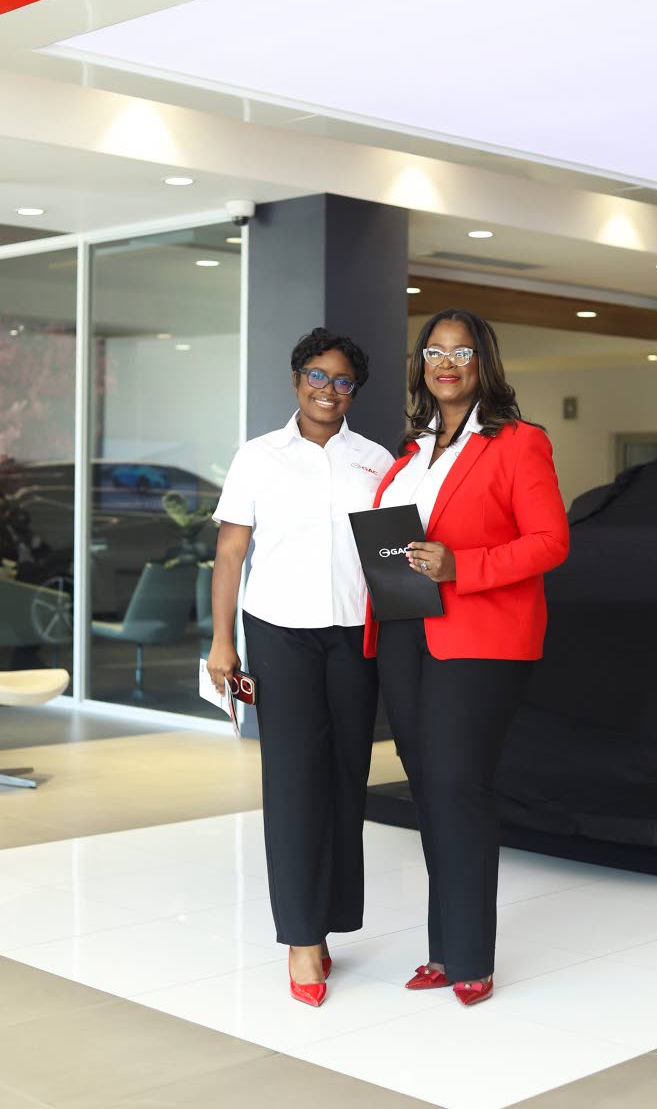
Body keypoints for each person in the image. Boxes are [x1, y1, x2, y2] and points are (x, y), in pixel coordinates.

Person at [367, 310, 569, 1007]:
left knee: (459, 785)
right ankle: (441, 948)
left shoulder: (517, 443)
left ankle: (472, 956)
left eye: (460, 352)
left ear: (484, 361)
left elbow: (550, 542)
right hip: (404, 634)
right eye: (433, 352)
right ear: (421, 366)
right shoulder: (409, 452)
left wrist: (461, 564)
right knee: (427, 789)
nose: (445, 363)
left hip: (480, 635)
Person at [208, 327, 393, 1008]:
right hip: (279, 634)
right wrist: (221, 642)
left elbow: (394, 558)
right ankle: (301, 942)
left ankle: (328, 920)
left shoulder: (377, 462)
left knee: (347, 779)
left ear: (355, 391)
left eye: (342, 380)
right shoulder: (258, 457)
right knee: (292, 784)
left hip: (353, 635)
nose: (327, 389)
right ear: (296, 381)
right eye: (317, 376)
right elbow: (231, 554)